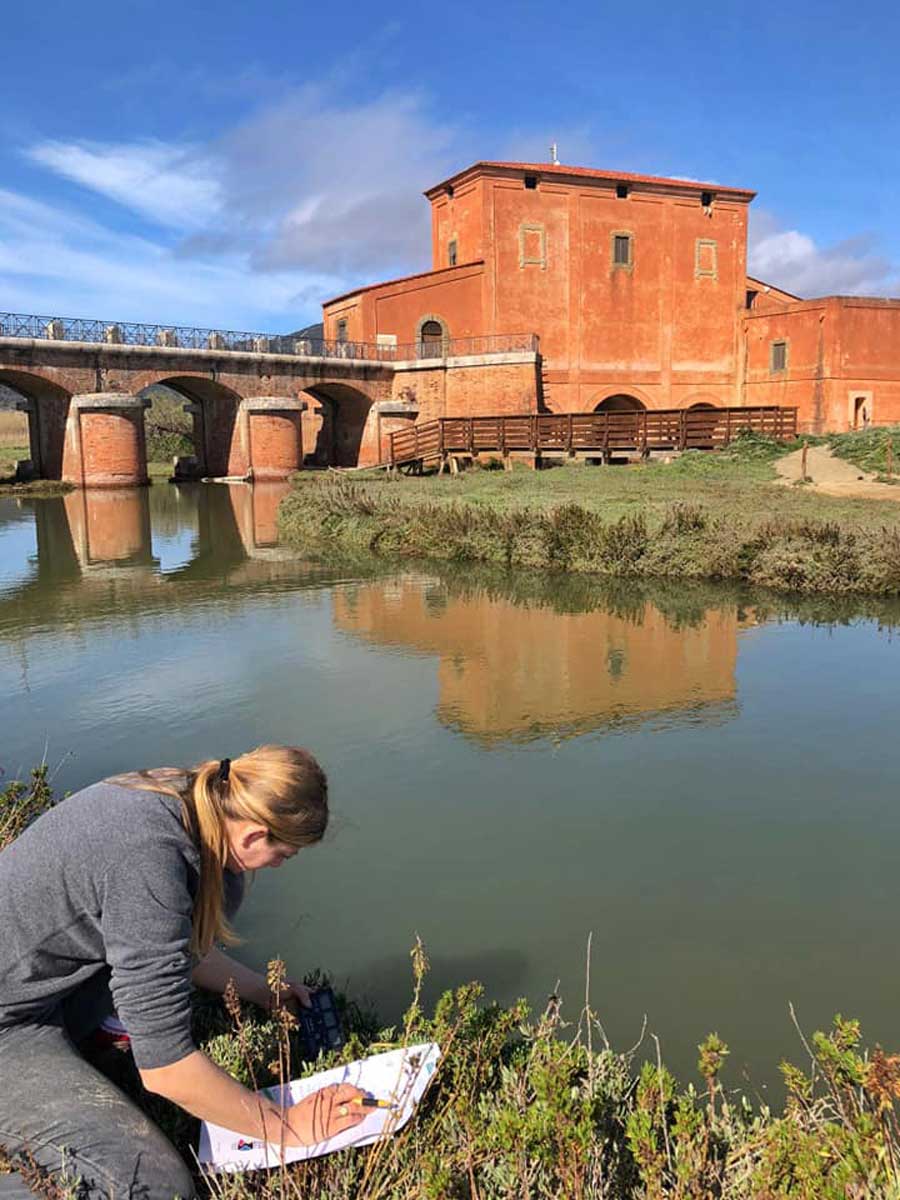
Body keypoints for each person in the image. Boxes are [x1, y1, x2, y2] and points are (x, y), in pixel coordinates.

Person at [0, 745, 366, 1199]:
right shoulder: (149, 856)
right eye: (283, 855)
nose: (277, 866)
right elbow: (166, 1069)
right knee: (150, 1186)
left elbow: (167, 942)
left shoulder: (193, 796)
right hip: (10, 1026)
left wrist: (262, 992)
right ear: (253, 836)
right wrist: (288, 1126)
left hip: (44, 991)